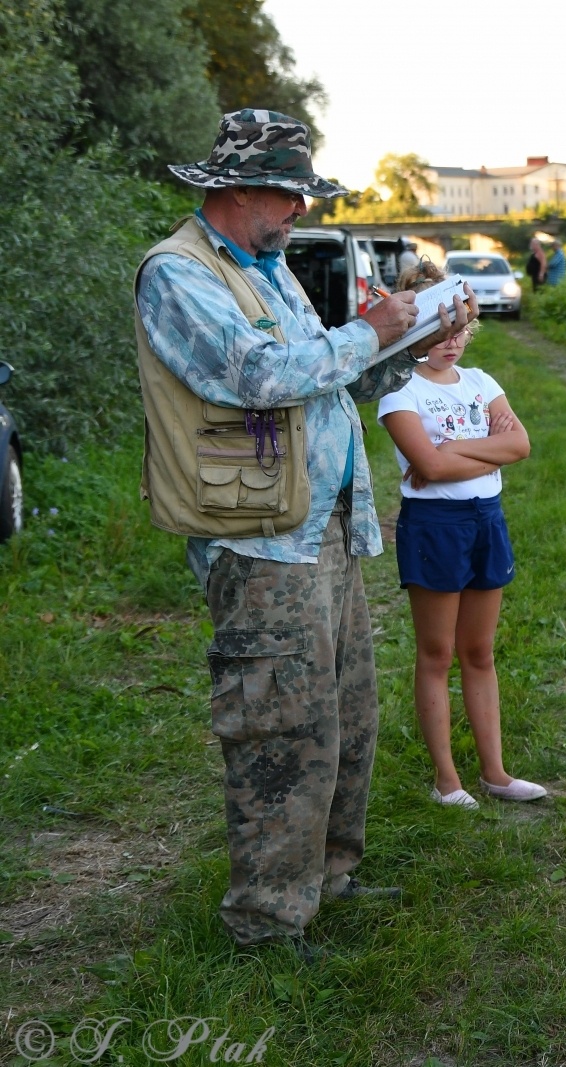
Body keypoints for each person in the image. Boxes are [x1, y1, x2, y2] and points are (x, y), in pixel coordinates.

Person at [134, 110, 478, 954]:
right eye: (290, 194)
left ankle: (330, 875)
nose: (302, 210)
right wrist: (372, 329)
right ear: (239, 189)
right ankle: (266, 921)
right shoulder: (177, 273)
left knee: (345, 716)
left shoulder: (269, 265)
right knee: (281, 729)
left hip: (321, 526)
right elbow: (259, 377)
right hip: (259, 542)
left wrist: (413, 341)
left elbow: (324, 377)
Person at [377, 261, 547, 810]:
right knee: (436, 652)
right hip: (435, 527)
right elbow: (428, 466)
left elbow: (519, 446)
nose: (451, 342)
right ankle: (447, 780)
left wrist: (452, 450)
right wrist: (476, 453)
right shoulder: (399, 390)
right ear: (417, 330)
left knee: (479, 651)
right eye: (440, 331)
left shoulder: (481, 383)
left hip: (485, 519)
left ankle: (495, 774)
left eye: (460, 330)